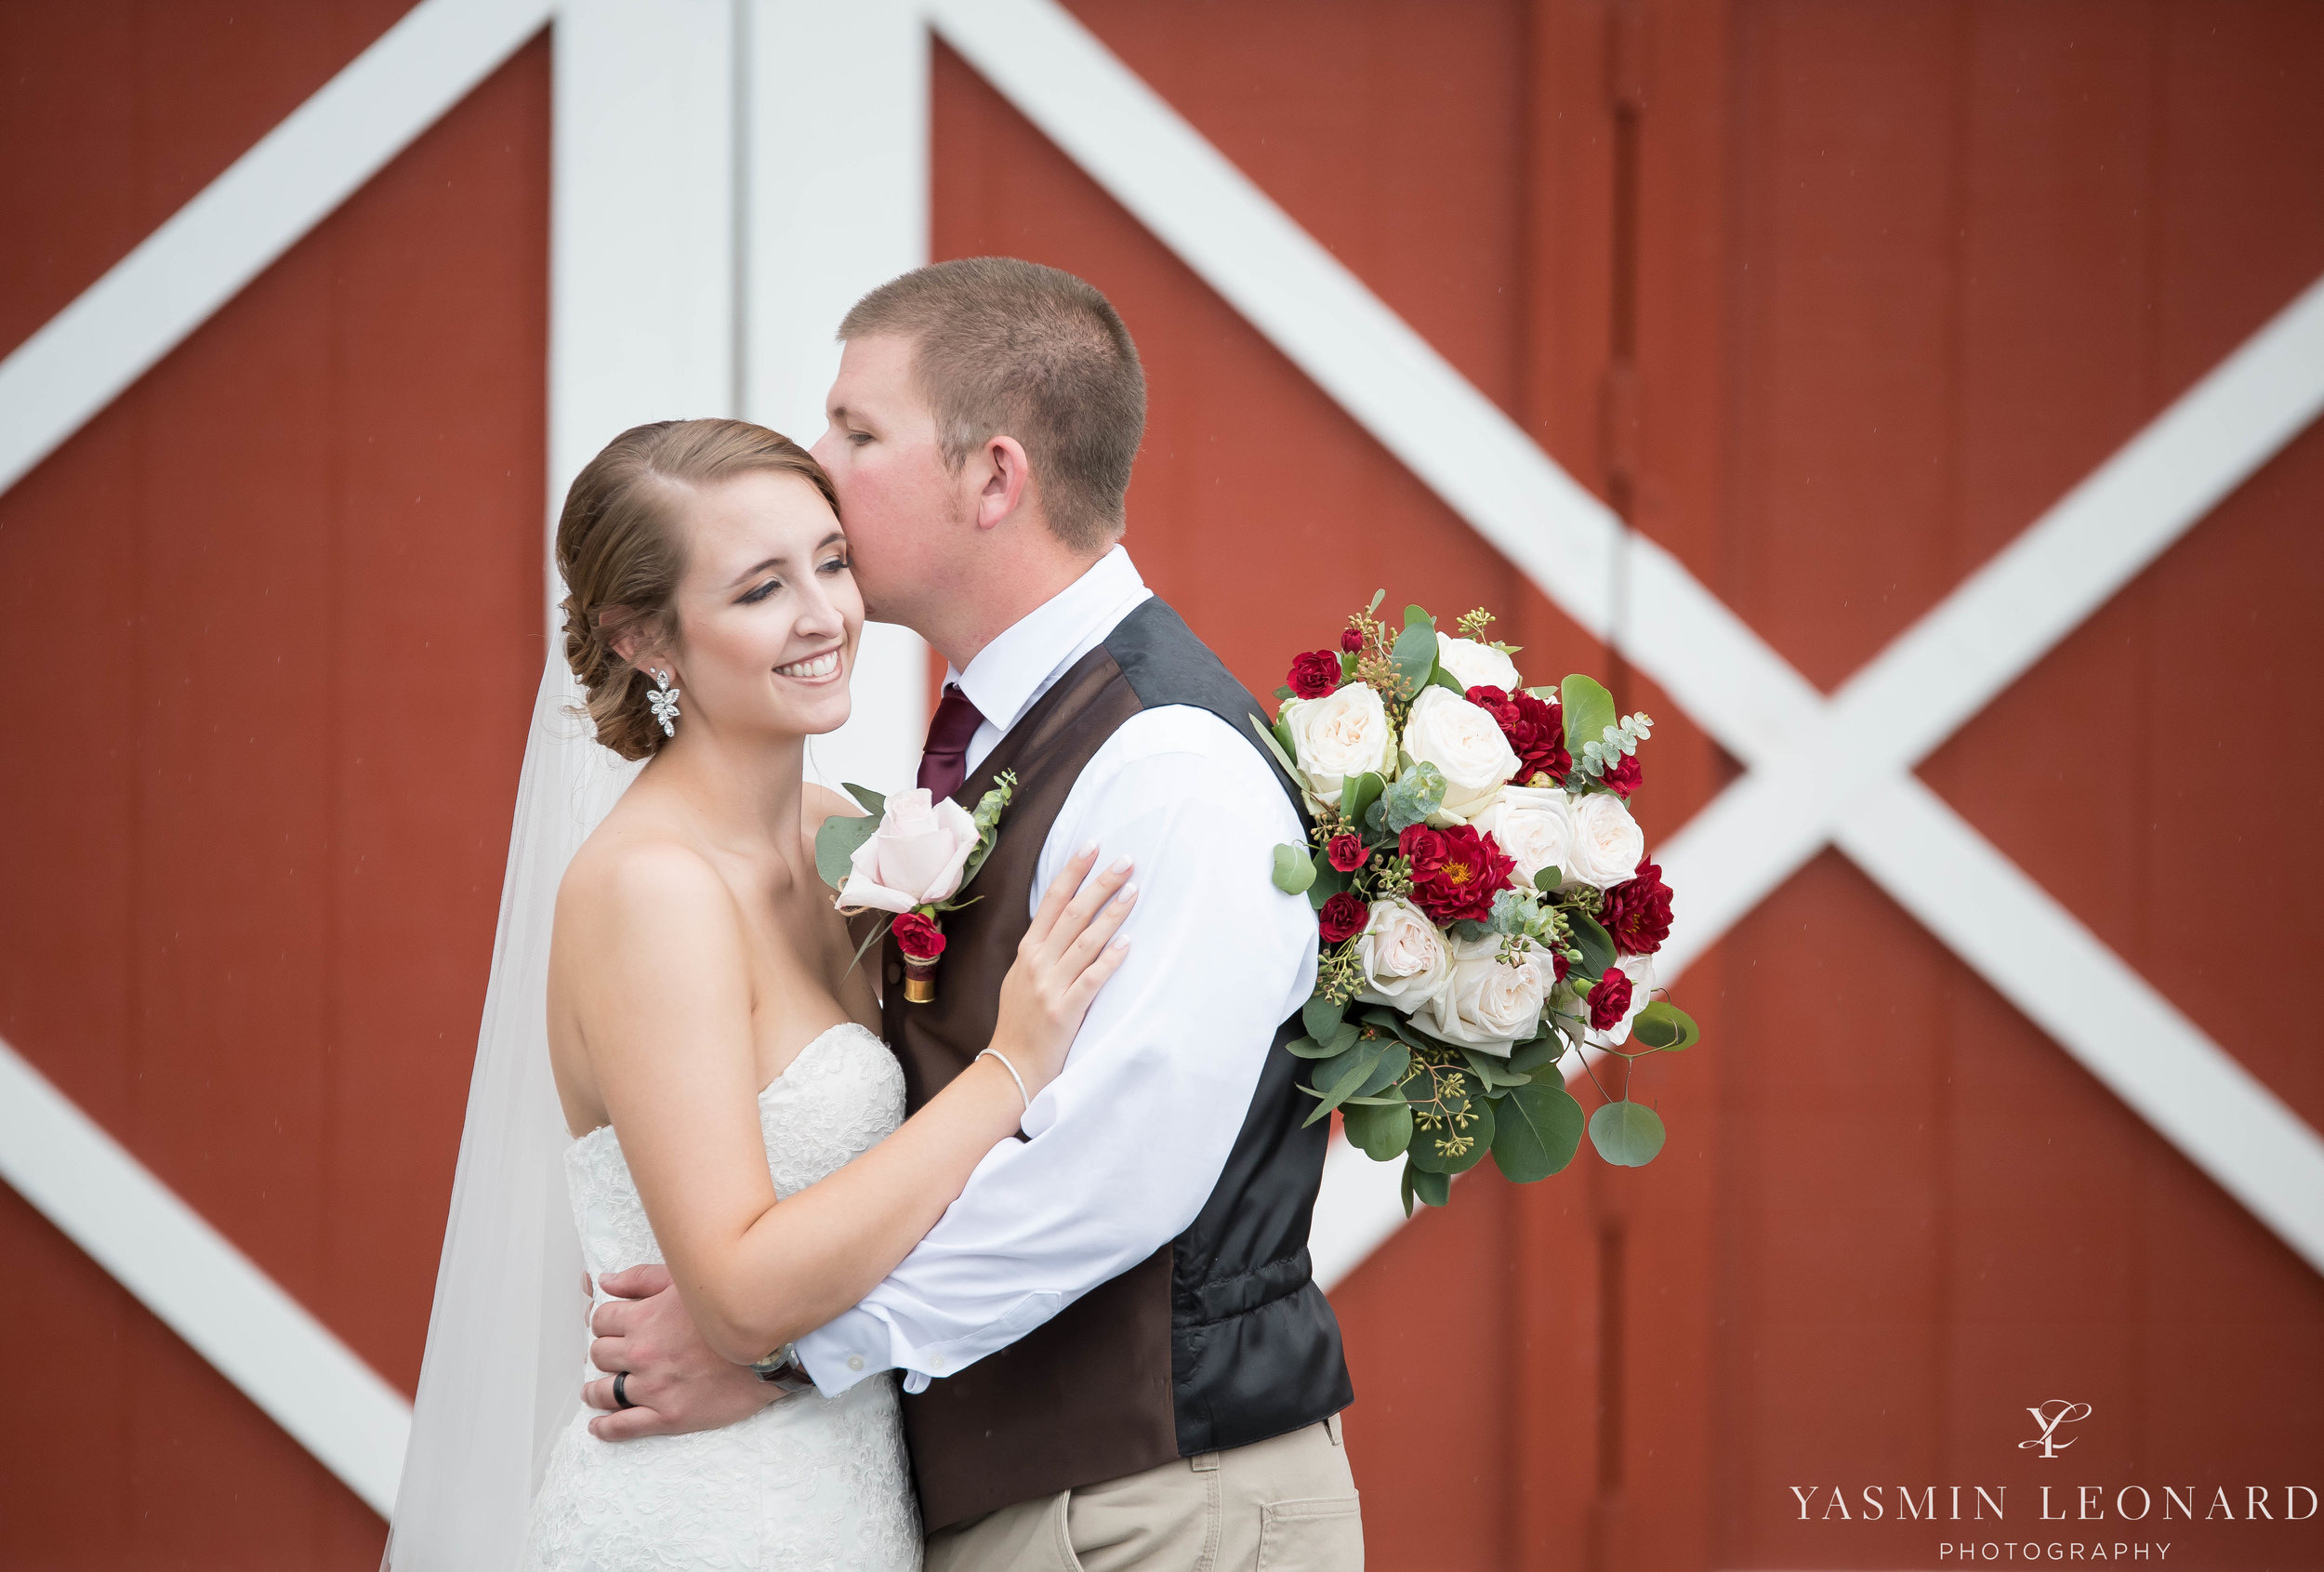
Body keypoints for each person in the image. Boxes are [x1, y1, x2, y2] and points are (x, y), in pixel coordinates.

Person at [579, 259, 1362, 1570]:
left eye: (858, 431)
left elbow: (1112, 1178)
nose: (818, 464)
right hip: (1043, 1506)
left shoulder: (1164, 764)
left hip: (1151, 1511)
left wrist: (785, 1354)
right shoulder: (991, 739)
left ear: (995, 479)